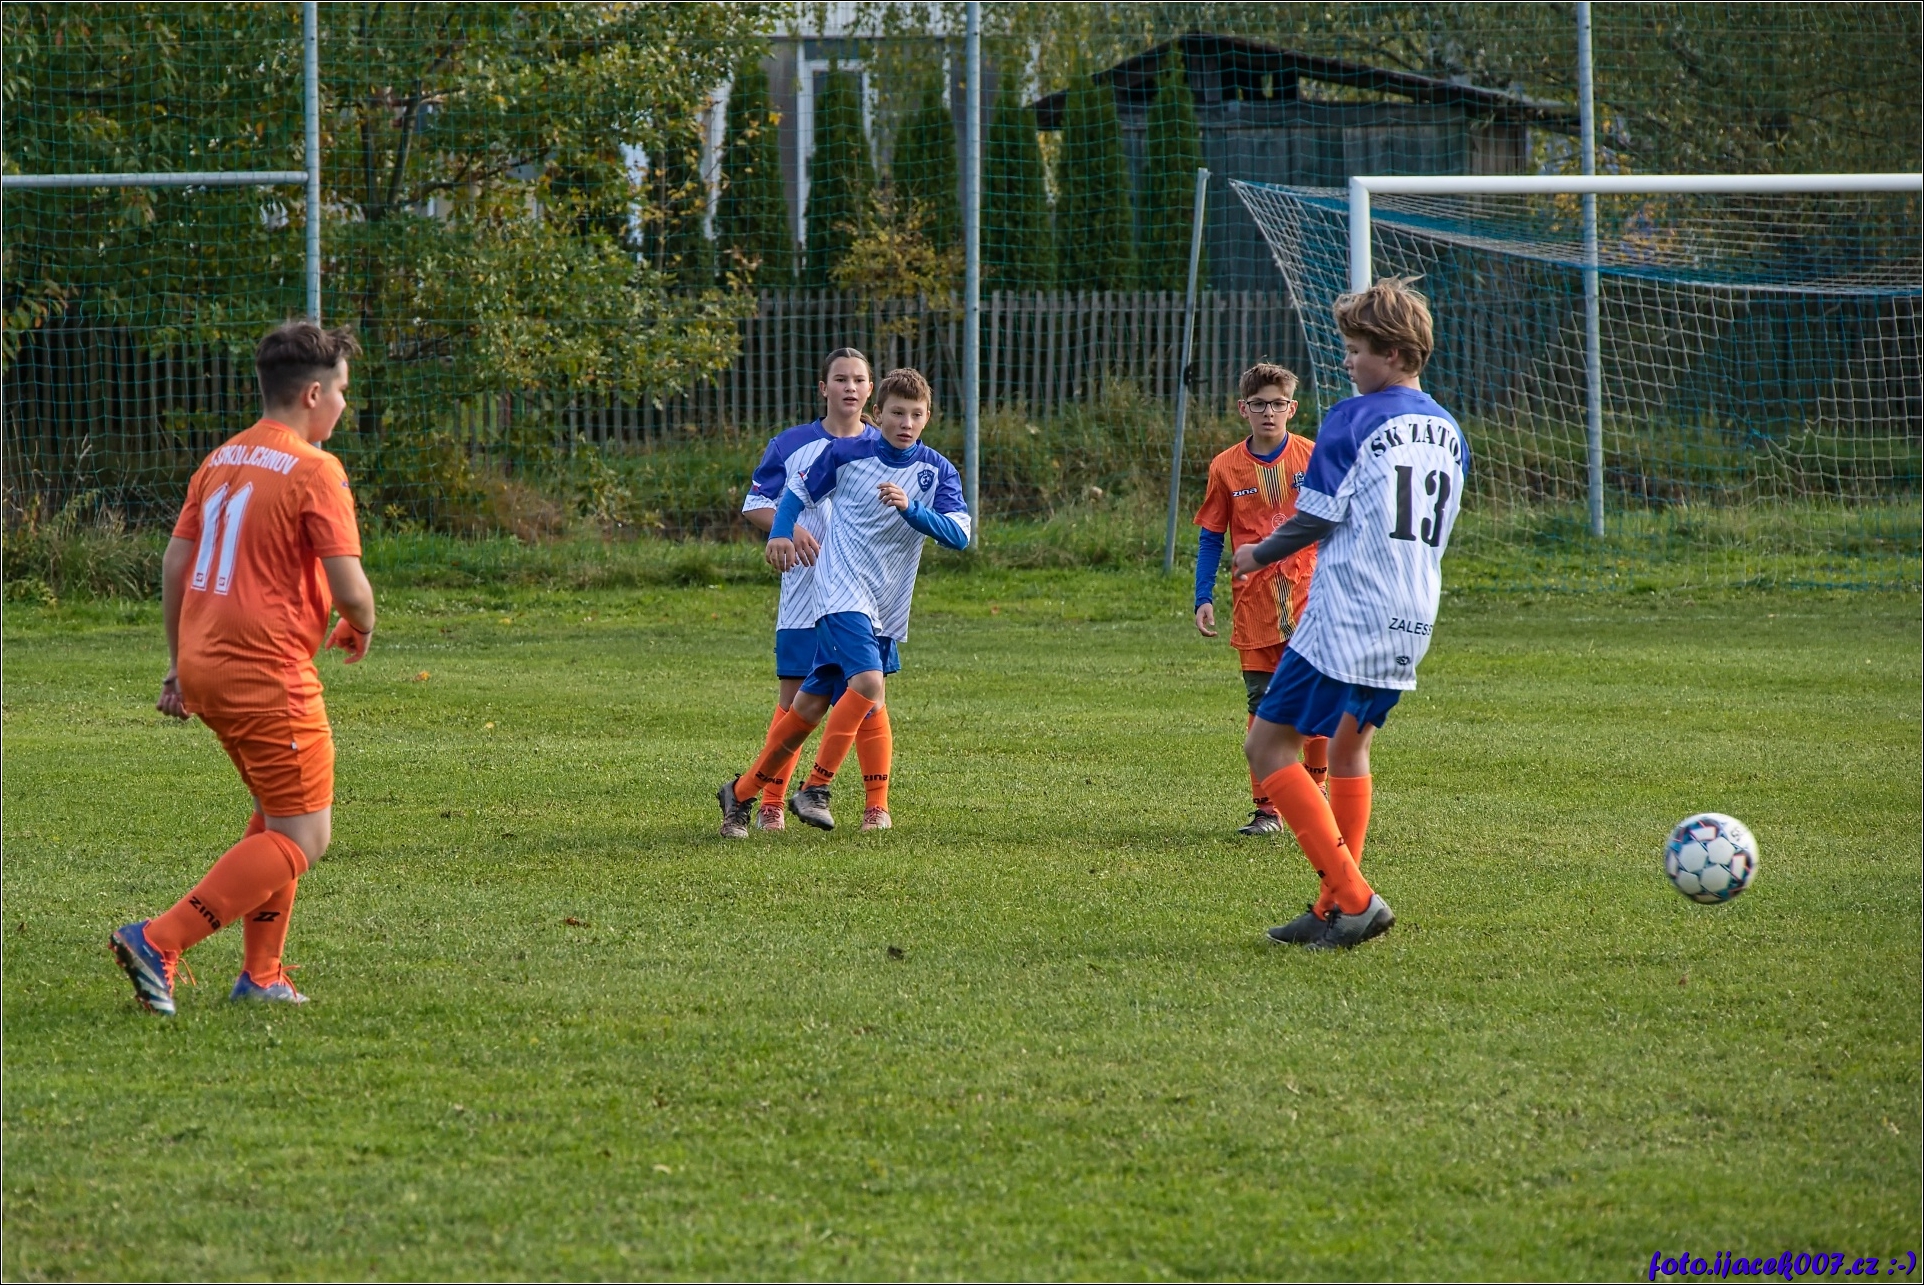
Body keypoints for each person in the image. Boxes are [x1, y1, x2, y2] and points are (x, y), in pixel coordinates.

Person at [111, 320, 375, 1012]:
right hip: (267, 672)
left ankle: (262, 977)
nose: (344, 404)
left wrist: (178, 664)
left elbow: (176, 561)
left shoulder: (222, 459)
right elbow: (350, 588)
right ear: (313, 394)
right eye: (342, 391)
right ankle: (157, 939)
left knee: (277, 817)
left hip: (207, 662)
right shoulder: (317, 470)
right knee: (305, 835)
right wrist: (363, 620)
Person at [1231, 277, 1468, 950]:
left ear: (1392, 352)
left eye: (1356, 349)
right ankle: (1332, 903)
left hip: (1350, 608)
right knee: (1347, 745)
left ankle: (1356, 898)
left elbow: (1315, 517)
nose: (1347, 361)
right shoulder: (1449, 430)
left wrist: (1255, 554)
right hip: (1413, 611)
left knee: (1266, 745)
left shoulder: (1351, 418)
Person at [718, 367, 969, 837]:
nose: (906, 423)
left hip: (886, 600)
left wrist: (912, 509)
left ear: (928, 417)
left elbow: (959, 535)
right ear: (879, 413)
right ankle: (815, 788)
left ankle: (742, 791)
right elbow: (796, 492)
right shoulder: (847, 452)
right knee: (869, 684)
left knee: (810, 707)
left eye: (916, 414)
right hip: (839, 590)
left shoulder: (937, 470)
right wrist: (780, 532)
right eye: (897, 413)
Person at [739, 348, 885, 831]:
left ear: (870, 390)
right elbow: (756, 503)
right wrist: (788, 528)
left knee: (867, 696)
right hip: (804, 590)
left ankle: (876, 806)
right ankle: (771, 803)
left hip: (859, 593)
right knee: (794, 698)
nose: (849, 387)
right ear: (823, 388)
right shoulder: (791, 444)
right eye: (840, 379)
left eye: (858, 380)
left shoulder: (884, 446)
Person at [1193, 362, 1327, 836]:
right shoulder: (1225, 466)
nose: (1268, 412)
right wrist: (1202, 595)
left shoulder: (1313, 457)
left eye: (1277, 404)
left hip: (1310, 602)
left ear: (1292, 408)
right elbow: (1211, 536)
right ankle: (1267, 810)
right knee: (1262, 707)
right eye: (1258, 404)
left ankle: (1317, 787)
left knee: (1314, 703)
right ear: (1242, 409)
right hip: (1254, 608)